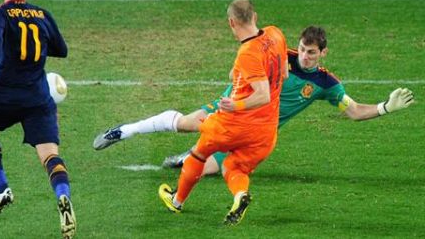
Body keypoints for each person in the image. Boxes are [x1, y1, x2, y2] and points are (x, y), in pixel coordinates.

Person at [93, 26, 415, 177]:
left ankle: (186, 158)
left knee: (208, 170)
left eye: (311, 52)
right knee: (186, 123)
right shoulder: (280, 54)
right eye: (302, 48)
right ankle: (125, 131)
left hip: (255, 134)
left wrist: (385, 107)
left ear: (323, 53)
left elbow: (355, 111)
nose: (304, 55)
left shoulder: (325, 84)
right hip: (235, 110)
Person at [156, 0, 288, 224]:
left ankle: (176, 201)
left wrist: (235, 105)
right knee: (232, 166)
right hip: (266, 131)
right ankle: (240, 195)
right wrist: (239, 74)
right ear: (254, 17)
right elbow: (284, 73)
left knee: (198, 153)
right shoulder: (276, 34)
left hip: (233, 125)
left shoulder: (248, 52)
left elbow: (262, 93)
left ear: (231, 23)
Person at [0, 0, 76, 239]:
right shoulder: (42, 14)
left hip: (4, 93)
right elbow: (61, 50)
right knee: (49, 154)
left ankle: (2, 188)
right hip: (37, 96)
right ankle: (63, 197)